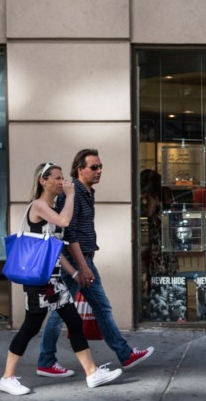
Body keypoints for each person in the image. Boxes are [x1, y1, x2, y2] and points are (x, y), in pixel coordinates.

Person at [0, 162, 122, 395]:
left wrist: (74, 273)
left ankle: (92, 372)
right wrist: (72, 193)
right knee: (30, 326)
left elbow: (53, 248)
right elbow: (65, 221)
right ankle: (7, 377)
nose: (61, 181)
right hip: (39, 281)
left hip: (53, 279)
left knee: (74, 321)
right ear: (42, 181)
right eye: (56, 178)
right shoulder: (39, 205)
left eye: (62, 177)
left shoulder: (51, 207)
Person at [38, 149, 154, 376]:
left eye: (100, 166)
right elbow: (69, 234)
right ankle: (47, 360)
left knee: (85, 309)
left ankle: (123, 354)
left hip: (84, 259)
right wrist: (82, 266)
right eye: (94, 167)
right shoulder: (73, 194)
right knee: (64, 311)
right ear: (80, 169)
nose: (99, 171)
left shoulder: (86, 192)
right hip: (76, 261)